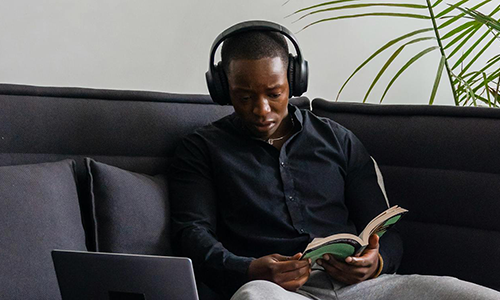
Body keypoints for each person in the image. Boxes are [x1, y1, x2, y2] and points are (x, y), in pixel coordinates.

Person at [168, 21, 500, 300]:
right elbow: (192, 234)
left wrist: (377, 261)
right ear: (222, 88)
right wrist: (250, 268)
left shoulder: (338, 139)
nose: (262, 110)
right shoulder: (201, 149)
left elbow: (386, 229)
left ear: (294, 81)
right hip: (274, 289)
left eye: (274, 93)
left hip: (363, 287)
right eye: (244, 97)